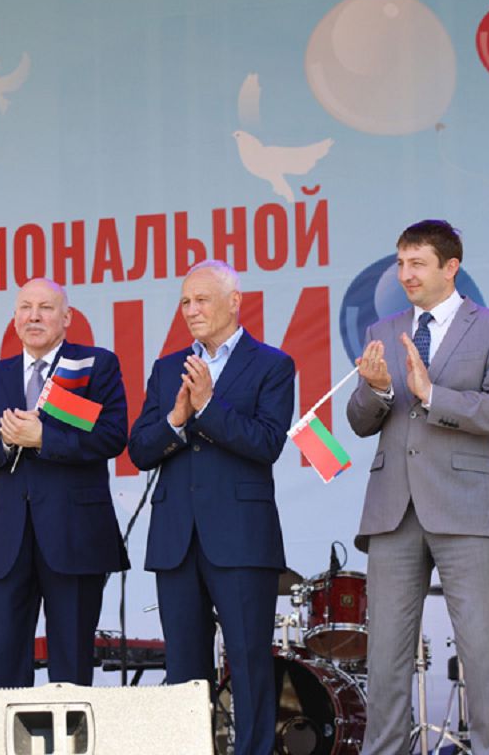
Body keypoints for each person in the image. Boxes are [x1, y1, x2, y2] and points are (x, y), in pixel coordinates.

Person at [347, 220, 489, 754]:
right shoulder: (381, 330)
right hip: (392, 511)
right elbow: (359, 420)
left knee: (486, 657)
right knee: (384, 660)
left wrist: (432, 395)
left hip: (467, 508)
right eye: (401, 263)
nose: (406, 274)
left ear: (451, 267)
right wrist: (378, 390)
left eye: (418, 263)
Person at [127, 259, 295, 755]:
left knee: (248, 662)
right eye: (185, 301)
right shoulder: (167, 368)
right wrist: (176, 419)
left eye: (202, 299)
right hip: (176, 538)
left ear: (234, 301)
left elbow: (266, 443)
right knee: (183, 668)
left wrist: (207, 407)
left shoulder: (271, 365)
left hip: (241, 538)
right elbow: (140, 450)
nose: (191, 309)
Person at [0, 277, 129, 688]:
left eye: (45, 308)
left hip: (74, 534)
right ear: (15, 318)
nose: (34, 316)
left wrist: (44, 438)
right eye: (25, 308)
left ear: (67, 317)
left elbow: (111, 436)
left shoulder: (94, 365)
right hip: (8, 538)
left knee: (70, 665)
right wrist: (5, 438)